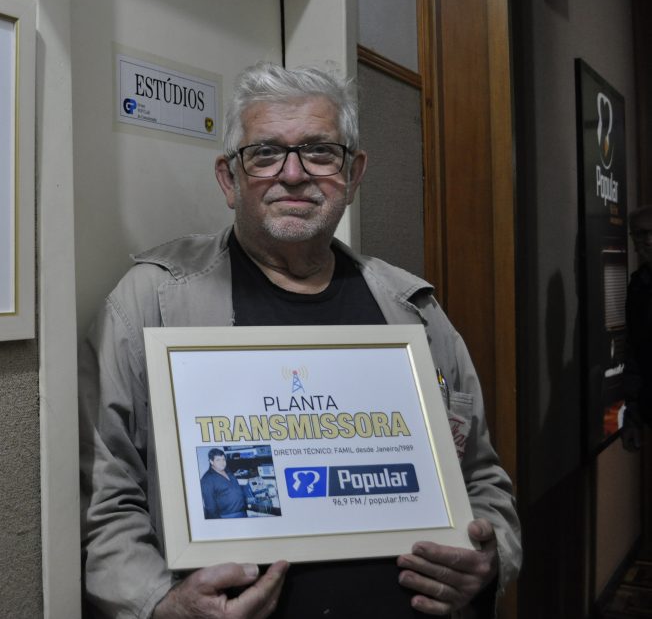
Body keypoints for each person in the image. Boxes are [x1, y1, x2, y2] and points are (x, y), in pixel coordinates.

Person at [79, 62, 521, 618]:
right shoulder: (152, 306)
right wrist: (159, 605)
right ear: (228, 179)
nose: (292, 174)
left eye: (319, 151)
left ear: (353, 174)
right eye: (265, 153)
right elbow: (105, 502)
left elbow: (481, 477)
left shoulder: (415, 314)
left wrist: (490, 559)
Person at [621, 205, 652, 451]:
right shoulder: (639, 288)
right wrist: (632, 418)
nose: (648, 241)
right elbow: (634, 354)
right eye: (641, 234)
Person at [200, 449, 254, 519]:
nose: (222, 462)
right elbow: (210, 507)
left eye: (223, 459)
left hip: (242, 512)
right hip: (227, 516)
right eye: (218, 460)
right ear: (211, 461)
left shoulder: (228, 472)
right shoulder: (207, 479)